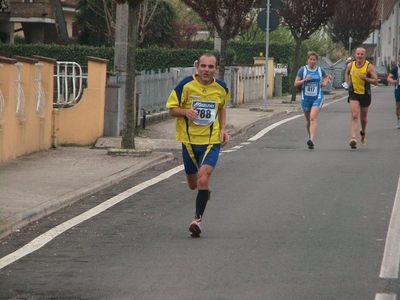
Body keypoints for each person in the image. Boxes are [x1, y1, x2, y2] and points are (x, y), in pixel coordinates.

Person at [166, 53, 230, 237]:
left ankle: (197, 221)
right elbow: (171, 109)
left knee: (203, 179)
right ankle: (204, 191)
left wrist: (223, 129)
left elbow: (222, 107)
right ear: (197, 68)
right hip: (189, 141)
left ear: (216, 70)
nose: (206, 70)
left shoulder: (222, 88)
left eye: (211, 67)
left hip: (211, 142)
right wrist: (185, 112)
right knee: (194, 185)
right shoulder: (185, 85)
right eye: (203, 66)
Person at [294, 51, 330, 149]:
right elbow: (296, 83)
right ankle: (310, 136)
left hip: (317, 97)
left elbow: (327, 76)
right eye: (311, 59)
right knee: (308, 121)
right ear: (308, 60)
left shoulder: (320, 70)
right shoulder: (303, 70)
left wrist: (325, 83)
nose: (312, 61)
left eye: (314, 60)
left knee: (313, 117)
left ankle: (312, 139)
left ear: (316, 61)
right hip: (305, 98)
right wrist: (305, 80)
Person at [344, 47, 378, 149]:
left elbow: (376, 81)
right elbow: (346, 73)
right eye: (358, 54)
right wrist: (348, 83)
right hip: (354, 93)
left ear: (365, 55)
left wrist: (366, 78)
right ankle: (353, 138)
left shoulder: (369, 66)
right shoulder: (351, 65)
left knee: (363, 118)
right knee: (354, 115)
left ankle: (363, 132)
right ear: (355, 55)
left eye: (361, 54)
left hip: (365, 94)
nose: (359, 56)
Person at [387, 55, 400, 129]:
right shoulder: (395, 69)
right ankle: (398, 119)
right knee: (398, 106)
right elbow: (388, 78)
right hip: (398, 88)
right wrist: (393, 81)